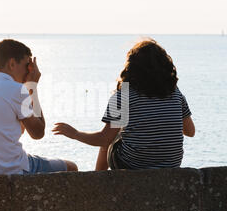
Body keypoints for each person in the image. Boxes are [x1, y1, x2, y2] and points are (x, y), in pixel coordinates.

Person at [52, 38, 195, 170]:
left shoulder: (123, 95)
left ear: (131, 67)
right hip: (172, 165)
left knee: (111, 136)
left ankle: (98, 181)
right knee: (119, 131)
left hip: (133, 165)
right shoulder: (174, 92)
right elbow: (190, 131)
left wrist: (75, 134)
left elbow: (104, 139)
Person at [0, 39, 78, 175]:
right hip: (9, 169)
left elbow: (17, 130)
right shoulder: (17, 90)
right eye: (27, 65)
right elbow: (38, 132)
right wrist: (32, 86)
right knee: (71, 168)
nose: (29, 71)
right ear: (12, 64)